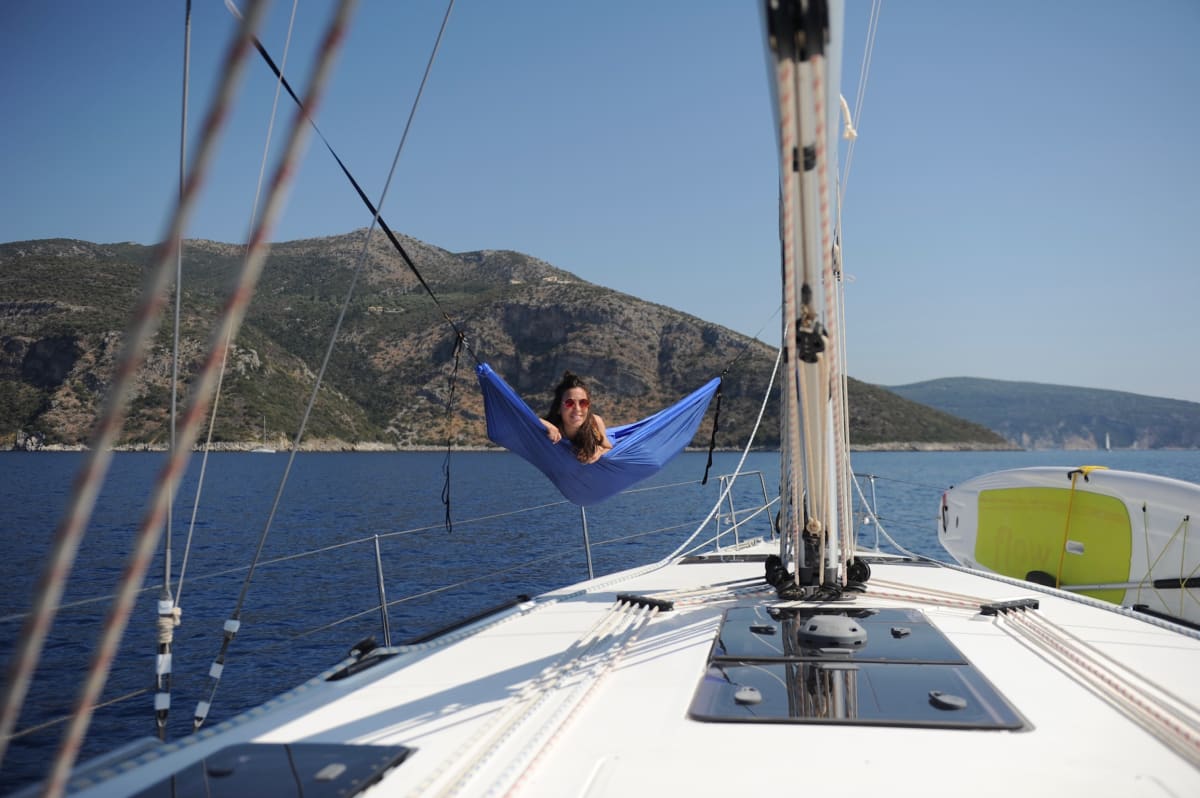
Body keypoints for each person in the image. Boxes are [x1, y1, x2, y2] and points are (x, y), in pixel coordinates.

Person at [540, 371, 614, 464]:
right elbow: (523, 421)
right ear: (559, 408)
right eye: (569, 403)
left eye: (583, 403)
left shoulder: (595, 423)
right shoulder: (550, 428)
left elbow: (608, 447)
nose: (577, 409)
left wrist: (599, 452)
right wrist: (547, 425)